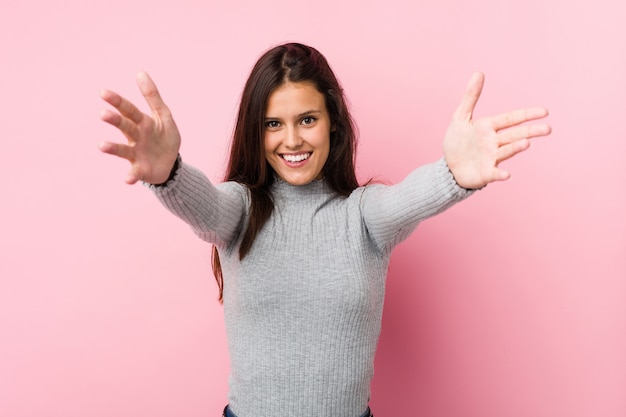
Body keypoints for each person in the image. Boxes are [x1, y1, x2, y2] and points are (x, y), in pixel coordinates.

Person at [98, 43, 551, 417]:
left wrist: (452, 174)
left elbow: (409, 197)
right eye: (273, 124)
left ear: (333, 122)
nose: (291, 140)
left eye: (307, 120)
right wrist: (167, 173)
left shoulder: (365, 216)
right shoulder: (239, 209)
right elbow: (205, 204)